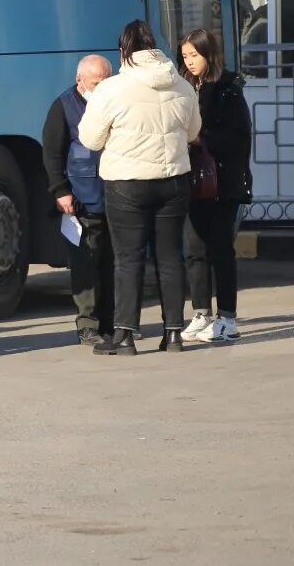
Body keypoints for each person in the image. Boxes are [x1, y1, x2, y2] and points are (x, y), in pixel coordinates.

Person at [78, 20, 201, 356]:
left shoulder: (111, 89)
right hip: (174, 181)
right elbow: (192, 133)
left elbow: (90, 138)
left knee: (128, 259)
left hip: (126, 184)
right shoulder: (182, 86)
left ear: (124, 51)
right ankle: (174, 334)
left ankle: (125, 337)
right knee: (169, 258)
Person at [177, 29, 253, 344]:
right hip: (193, 181)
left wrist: (201, 139)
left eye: (195, 55)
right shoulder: (183, 88)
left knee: (221, 249)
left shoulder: (227, 90)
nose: (190, 62)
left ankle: (227, 318)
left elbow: (238, 138)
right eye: (184, 57)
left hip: (222, 182)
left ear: (209, 54)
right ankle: (200, 312)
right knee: (194, 249)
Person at [41, 54, 115, 346]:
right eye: (96, 83)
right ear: (79, 80)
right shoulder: (63, 106)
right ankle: (88, 324)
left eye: (105, 82)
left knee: (113, 264)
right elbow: (52, 152)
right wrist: (61, 191)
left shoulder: (114, 102)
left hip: (116, 196)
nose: (101, 88)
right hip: (82, 199)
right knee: (85, 263)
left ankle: (113, 323)